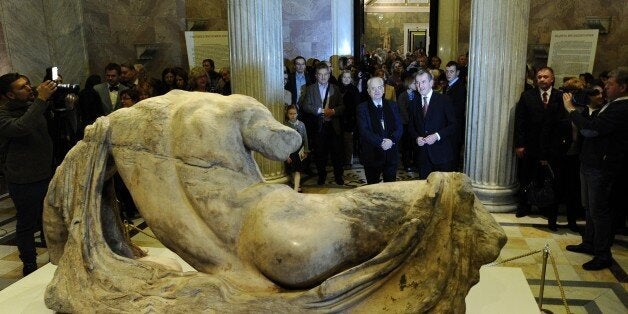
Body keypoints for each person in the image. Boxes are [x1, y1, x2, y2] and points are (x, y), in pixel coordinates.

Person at [563, 67, 628, 270]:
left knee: (599, 211)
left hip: (602, 166)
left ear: (623, 87)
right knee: (590, 209)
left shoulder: (622, 108)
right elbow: (593, 122)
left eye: (609, 84)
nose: (605, 88)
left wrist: (572, 110)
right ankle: (589, 243)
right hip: (590, 163)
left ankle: (602, 254)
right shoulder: (611, 105)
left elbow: (591, 130)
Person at [0, 73, 57, 276]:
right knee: (27, 222)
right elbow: (22, 127)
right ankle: (29, 264)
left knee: (48, 220)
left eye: (29, 84)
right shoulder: (3, 115)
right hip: (23, 180)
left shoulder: (31, 106)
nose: (29, 89)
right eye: (22, 87)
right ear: (10, 95)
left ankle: (54, 258)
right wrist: (41, 99)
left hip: (45, 173)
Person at [513, 67, 563, 223]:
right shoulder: (527, 96)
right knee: (526, 176)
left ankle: (545, 206)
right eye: (539, 77)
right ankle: (524, 205)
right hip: (530, 144)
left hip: (551, 147)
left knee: (546, 178)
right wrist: (519, 144)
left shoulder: (560, 97)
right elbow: (520, 122)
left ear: (552, 79)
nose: (542, 79)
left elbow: (562, 124)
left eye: (545, 77)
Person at [299, 63, 345, 185]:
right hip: (318, 127)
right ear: (316, 75)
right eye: (320, 75)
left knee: (337, 154)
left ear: (329, 75)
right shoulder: (310, 89)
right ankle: (321, 176)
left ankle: (338, 177)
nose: (323, 77)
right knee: (320, 154)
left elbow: (342, 107)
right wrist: (321, 111)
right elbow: (305, 106)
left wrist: (333, 111)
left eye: (325, 74)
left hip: (334, 127)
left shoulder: (335, 88)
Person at [408, 69, 457, 179]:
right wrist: (416, 138)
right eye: (417, 83)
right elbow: (411, 127)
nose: (420, 86)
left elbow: (453, 125)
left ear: (431, 83)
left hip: (442, 156)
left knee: (444, 192)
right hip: (423, 157)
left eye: (423, 82)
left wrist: (437, 136)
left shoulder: (444, 100)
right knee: (426, 191)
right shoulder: (413, 103)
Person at [357, 77, 403, 184]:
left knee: (390, 188)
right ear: (368, 91)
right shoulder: (362, 108)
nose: (377, 91)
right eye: (373, 88)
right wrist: (381, 142)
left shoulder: (393, 105)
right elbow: (364, 131)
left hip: (391, 154)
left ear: (383, 89)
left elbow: (399, 127)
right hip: (372, 154)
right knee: (372, 189)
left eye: (379, 87)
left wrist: (391, 140)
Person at [444, 61, 467, 168]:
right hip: (448, 126)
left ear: (457, 73)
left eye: (451, 71)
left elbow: (458, 110)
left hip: (455, 127)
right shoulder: (447, 86)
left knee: (453, 157)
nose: (448, 74)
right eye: (447, 71)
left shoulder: (460, 88)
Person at [284, 105, 309, 192]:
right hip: (290, 151)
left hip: (299, 151)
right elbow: (284, 141)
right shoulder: (285, 125)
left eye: (294, 113)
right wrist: (286, 155)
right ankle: (296, 184)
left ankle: (296, 188)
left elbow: (305, 138)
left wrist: (306, 150)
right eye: (290, 113)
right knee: (291, 170)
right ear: (287, 114)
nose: (293, 115)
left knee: (298, 170)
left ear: (297, 114)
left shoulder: (301, 124)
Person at [338, 70, 360, 168]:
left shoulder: (354, 90)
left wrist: (353, 120)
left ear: (351, 79)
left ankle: (348, 161)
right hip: (338, 119)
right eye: (344, 77)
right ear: (341, 78)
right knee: (339, 141)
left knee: (348, 141)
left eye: (348, 77)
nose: (346, 79)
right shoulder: (337, 88)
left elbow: (356, 106)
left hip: (350, 119)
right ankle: (340, 160)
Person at [396, 75, 418, 172]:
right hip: (405, 124)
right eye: (414, 83)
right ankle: (406, 164)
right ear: (409, 84)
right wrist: (410, 122)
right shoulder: (403, 96)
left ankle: (414, 162)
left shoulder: (417, 95)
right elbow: (402, 110)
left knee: (414, 144)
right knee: (406, 146)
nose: (416, 85)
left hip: (414, 124)